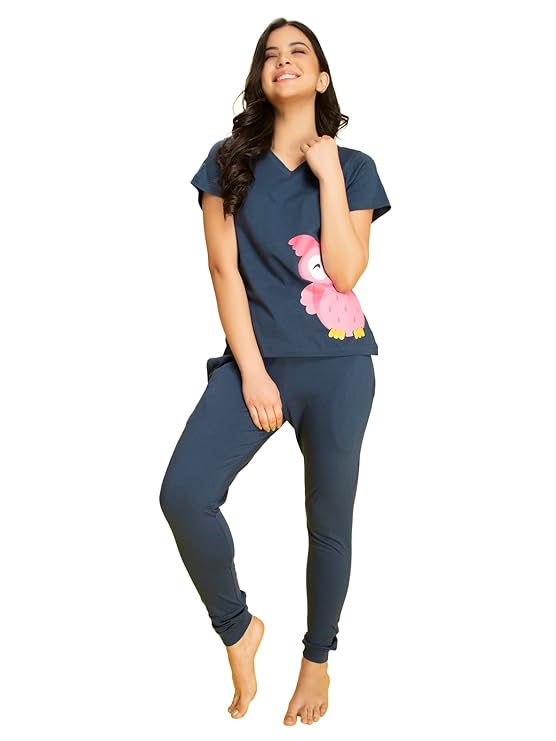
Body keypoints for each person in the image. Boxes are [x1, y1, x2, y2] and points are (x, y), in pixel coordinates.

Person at [159, 17, 391, 726]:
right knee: (185, 493)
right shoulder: (227, 162)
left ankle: (317, 659)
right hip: (257, 365)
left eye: (298, 52)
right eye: (270, 55)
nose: (283, 61)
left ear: (321, 77)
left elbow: (345, 272)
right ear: (261, 78)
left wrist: (327, 173)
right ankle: (238, 628)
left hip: (340, 365)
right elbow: (223, 271)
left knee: (329, 523)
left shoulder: (354, 168)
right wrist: (253, 374)